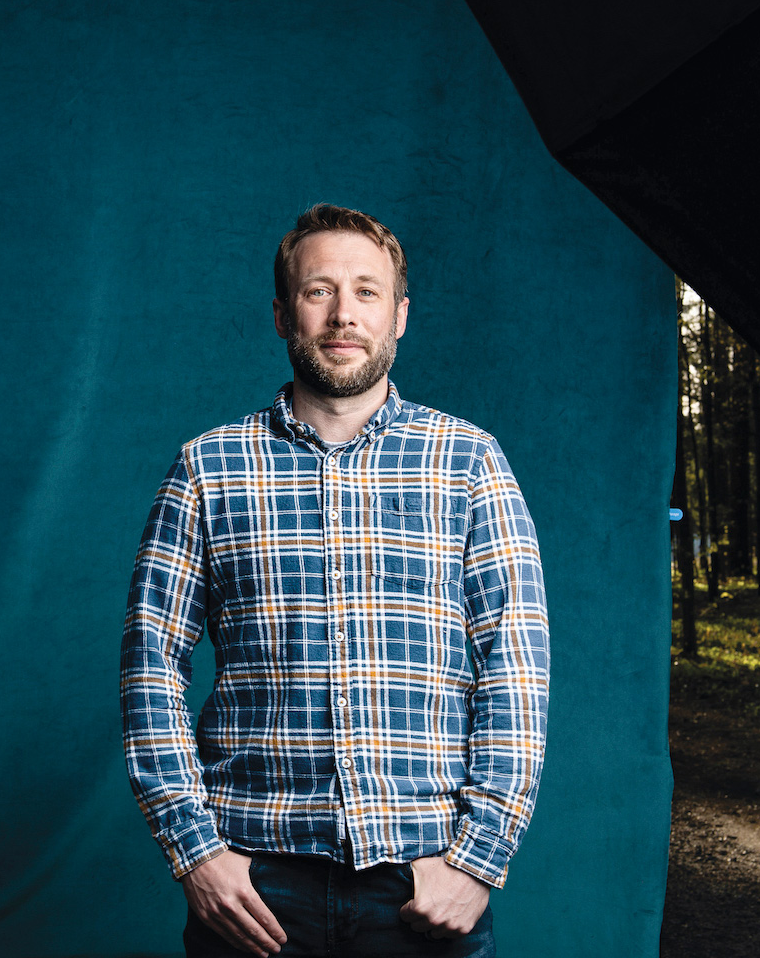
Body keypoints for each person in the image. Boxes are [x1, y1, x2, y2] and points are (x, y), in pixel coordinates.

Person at [121, 204, 549, 957]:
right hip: (255, 889)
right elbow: (150, 665)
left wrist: (479, 861)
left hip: (423, 883)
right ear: (284, 313)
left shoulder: (470, 463)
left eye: (366, 291)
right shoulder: (207, 468)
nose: (343, 313)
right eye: (319, 291)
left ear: (400, 315)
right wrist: (196, 853)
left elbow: (516, 667)